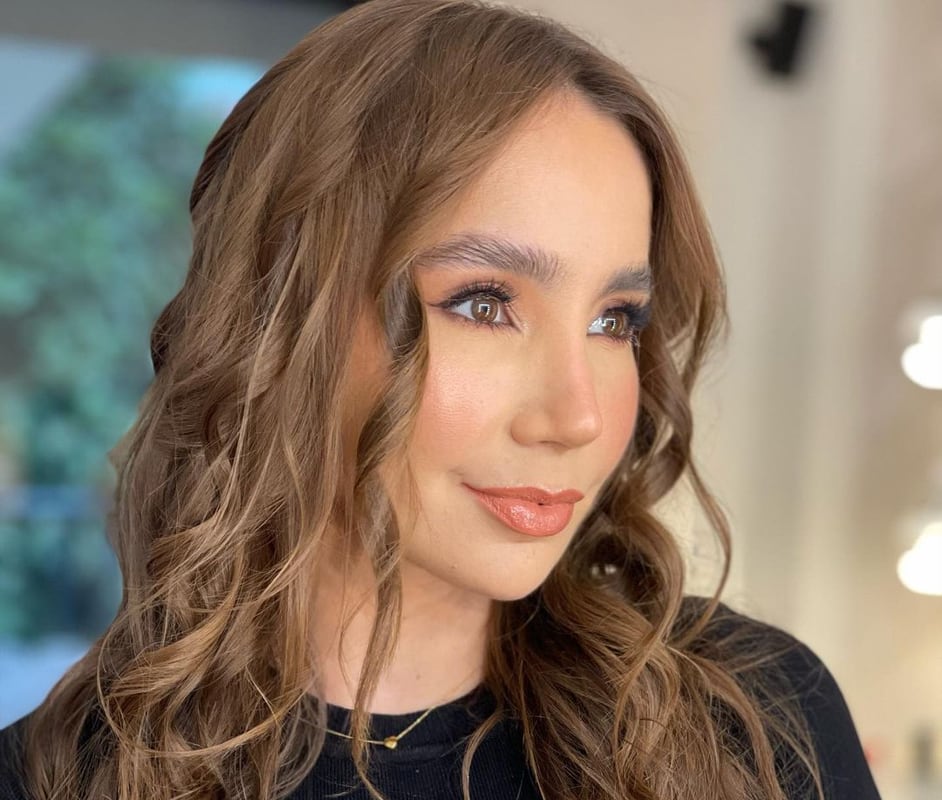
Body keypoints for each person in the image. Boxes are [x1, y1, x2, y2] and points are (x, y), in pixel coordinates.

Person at [0, 0, 882, 798]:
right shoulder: (58, 780)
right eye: (484, 304)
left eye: (614, 320)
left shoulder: (759, 722)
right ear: (279, 317)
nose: (576, 416)